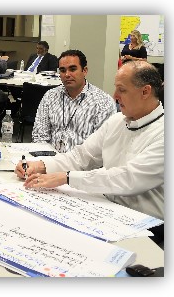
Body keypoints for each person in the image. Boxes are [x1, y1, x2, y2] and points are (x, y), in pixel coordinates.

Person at [15, 61, 164, 245]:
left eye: (122, 90)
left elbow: (127, 179)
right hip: (107, 209)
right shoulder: (117, 121)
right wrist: (41, 165)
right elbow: (82, 156)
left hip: (147, 227)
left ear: (145, 91)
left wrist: (66, 177)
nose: (115, 96)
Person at [31, 49, 116, 153]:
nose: (67, 74)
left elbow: (101, 147)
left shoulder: (103, 102)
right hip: (51, 161)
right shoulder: (50, 96)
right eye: (62, 70)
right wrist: (47, 160)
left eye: (72, 69)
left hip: (84, 166)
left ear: (84, 71)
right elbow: (39, 136)